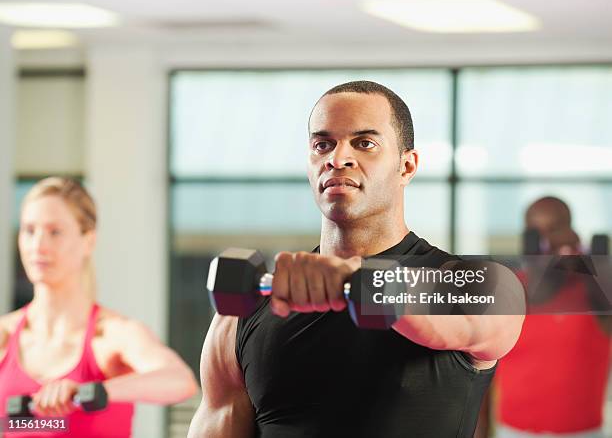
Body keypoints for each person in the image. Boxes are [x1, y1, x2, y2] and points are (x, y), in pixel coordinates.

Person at [188, 81, 524, 438]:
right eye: (323, 145)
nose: (338, 158)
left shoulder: (481, 284)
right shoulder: (242, 315)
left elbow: (469, 319)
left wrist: (351, 280)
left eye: (365, 143)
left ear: (407, 166)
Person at [0, 177, 198, 437]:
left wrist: (94, 391)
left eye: (54, 232)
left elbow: (180, 381)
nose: (38, 245)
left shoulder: (112, 335)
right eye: (29, 230)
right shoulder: (5, 334)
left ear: (88, 241)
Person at [479, 196, 611, 438]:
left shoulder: (596, 291)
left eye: (555, 229)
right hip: (515, 432)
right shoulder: (506, 292)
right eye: (536, 233)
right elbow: (482, 373)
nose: (546, 241)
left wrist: (587, 265)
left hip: (586, 433)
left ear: (571, 234)